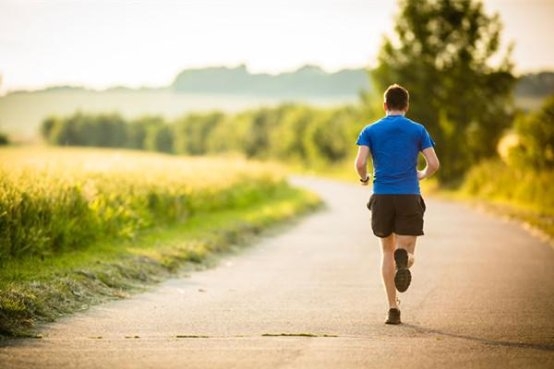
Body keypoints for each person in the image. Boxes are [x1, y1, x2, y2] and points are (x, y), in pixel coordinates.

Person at [354, 84, 440, 325]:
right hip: (408, 196)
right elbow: (434, 164)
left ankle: (392, 309)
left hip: (382, 196)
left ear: (384, 106)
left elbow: (360, 163)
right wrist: (422, 174)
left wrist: (364, 179)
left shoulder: (370, 130)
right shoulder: (418, 130)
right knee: (407, 252)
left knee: (385, 252)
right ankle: (405, 260)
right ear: (406, 106)